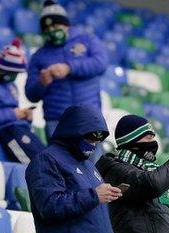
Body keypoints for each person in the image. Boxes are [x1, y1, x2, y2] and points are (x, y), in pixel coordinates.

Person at [25, 105, 121, 233]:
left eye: (97, 140)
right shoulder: (47, 159)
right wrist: (94, 196)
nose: (93, 144)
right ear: (73, 132)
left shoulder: (89, 166)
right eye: (90, 138)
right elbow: (49, 206)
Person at [25, 0, 108, 141]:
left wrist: (69, 68)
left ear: (66, 24)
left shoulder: (87, 40)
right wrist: (41, 82)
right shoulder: (38, 56)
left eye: (56, 25)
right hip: (57, 121)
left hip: (88, 117)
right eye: (47, 28)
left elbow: (101, 63)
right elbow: (31, 94)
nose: (52, 30)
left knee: (93, 163)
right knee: (60, 163)